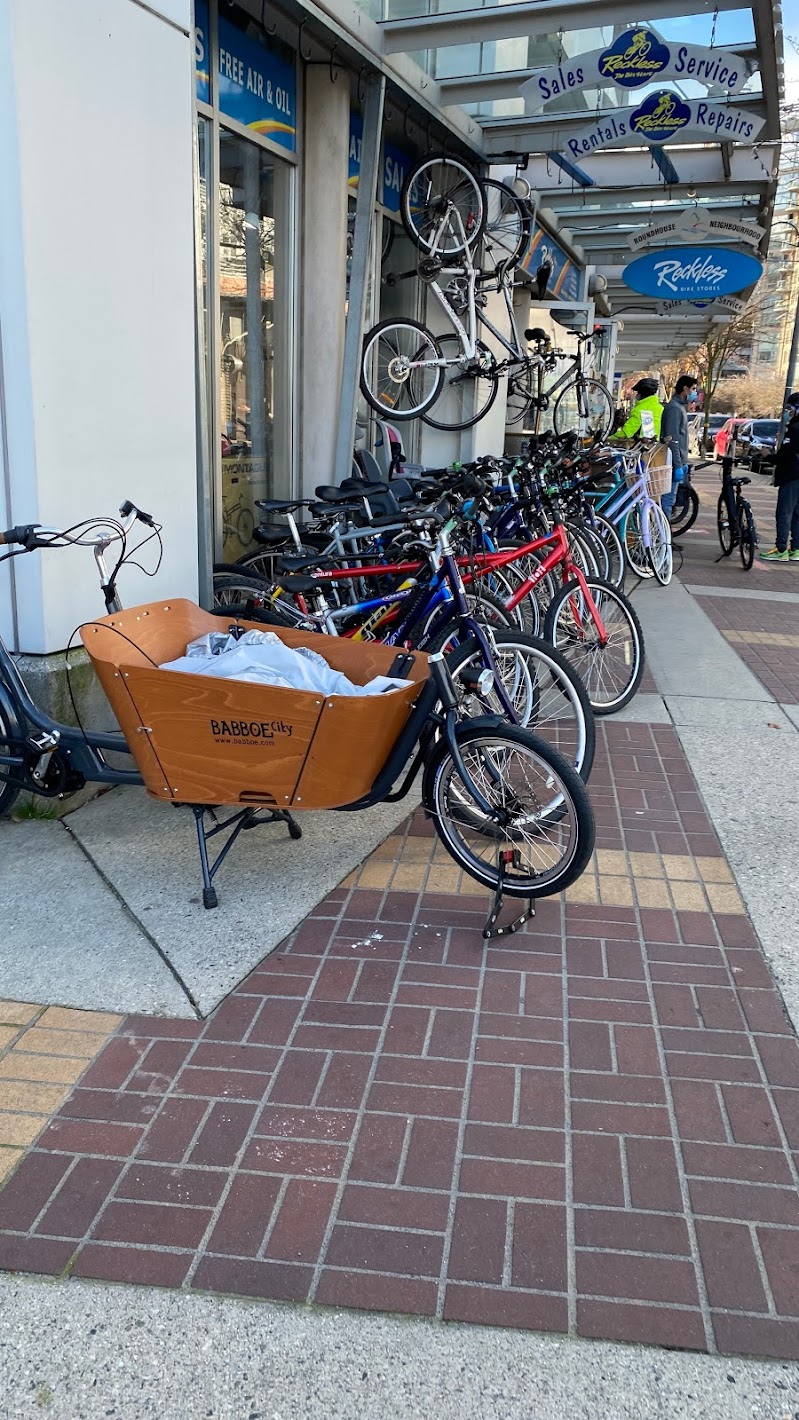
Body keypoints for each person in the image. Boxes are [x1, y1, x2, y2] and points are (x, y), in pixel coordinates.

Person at [762, 391, 799, 561]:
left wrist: (768, 456)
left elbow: (786, 456)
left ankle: (781, 549)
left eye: (790, 408)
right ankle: (796, 548)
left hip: (791, 475)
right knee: (797, 514)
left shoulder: (795, 430)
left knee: (784, 513)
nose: (787, 412)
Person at [660, 374, 698, 518]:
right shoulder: (675, 409)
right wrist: (677, 464)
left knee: (670, 499)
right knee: (668, 500)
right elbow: (672, 439)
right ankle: (664, 529)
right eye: (693, 389)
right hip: (672, 461)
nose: (694, 393)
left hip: (677, 461)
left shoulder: (679, 407)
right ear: (685, 389)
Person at [615, 377, 663, 441]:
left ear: (641, 394)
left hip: (642, 445)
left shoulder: (640, 410)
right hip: (656, 445)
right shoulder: (660, 408)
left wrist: (609, 438)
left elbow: (626, 432)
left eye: (637, 392)